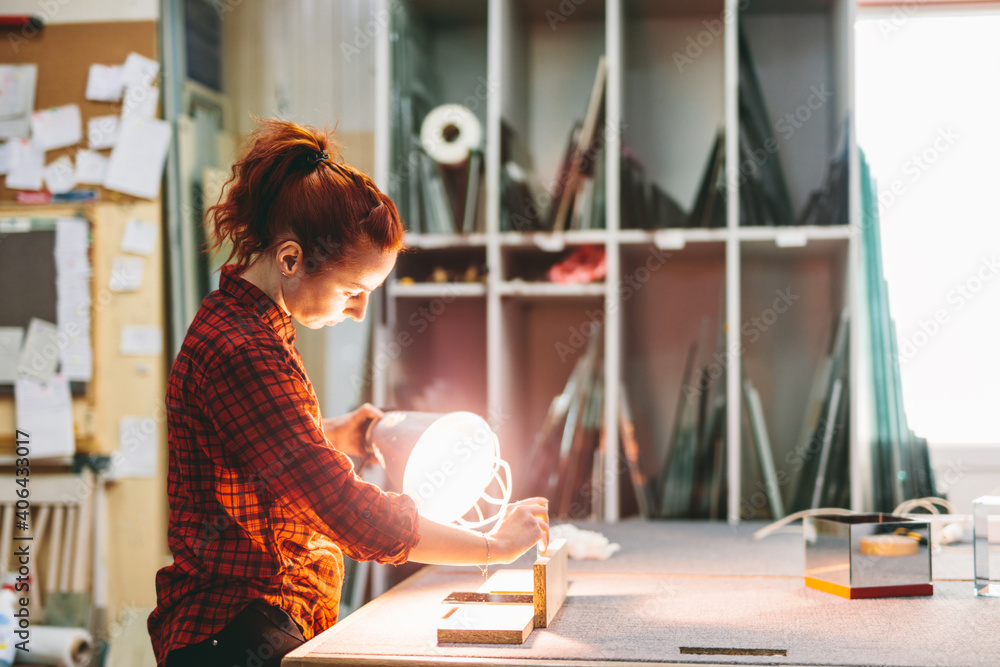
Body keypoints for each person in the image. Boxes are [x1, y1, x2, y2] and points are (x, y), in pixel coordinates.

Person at [147, 118, 549, 667]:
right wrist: (491, 547)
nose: (359, 311)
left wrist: (328, 435)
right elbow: (343, 512)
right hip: (233, 635)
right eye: (353, 291)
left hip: (247, 625)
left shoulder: (247, 326)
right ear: (290, 259)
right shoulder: (244, 351)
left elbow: (248, 453)